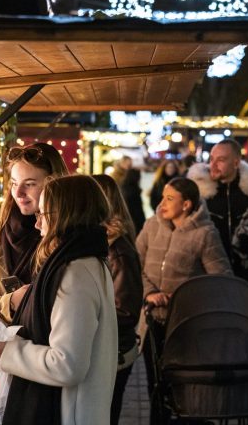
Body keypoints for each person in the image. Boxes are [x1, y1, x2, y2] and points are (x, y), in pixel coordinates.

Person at [0, 174, 118, 424]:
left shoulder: (76, 273)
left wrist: (9, 350)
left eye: (42, 215)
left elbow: (67, 365)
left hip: (66, 413)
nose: (37, 225)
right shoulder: (87, 261)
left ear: (64, 215)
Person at [136, 176, 232, 395]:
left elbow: (221, 280)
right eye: (162, 198)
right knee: (155, 386)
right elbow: (135, 264)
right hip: (152, 321)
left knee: (180, 388)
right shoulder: (152, 225)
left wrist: (185, 297)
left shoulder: (205, 234)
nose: (162, 204)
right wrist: (149, 292)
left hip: (185, 325)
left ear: (186, 204)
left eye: (170, 199)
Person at [0, 143, 68, 330]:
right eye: (14, 183)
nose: (18, 193)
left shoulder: (68, 238)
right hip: (4, 356)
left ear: (54, 184)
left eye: (29, 184)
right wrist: (10, 302)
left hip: (51, 355)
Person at [91, 174, 144, 425]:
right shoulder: (99, 243)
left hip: (114, 354)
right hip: (106, 350)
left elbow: (125, 310)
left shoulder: (117, 250)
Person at [187, 139, 248, 294]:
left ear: (236, 162)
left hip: (246, 282)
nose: (213, 165)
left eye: (221, 160)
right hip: (209, 281)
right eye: (211, 159)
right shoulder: (200, 196)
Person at [120, 167, 146, 232]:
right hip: (135, 222)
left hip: (126, 221)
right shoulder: (134, 192)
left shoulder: (123, 188)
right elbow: (138, 210)